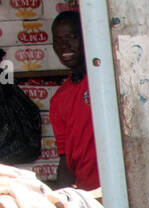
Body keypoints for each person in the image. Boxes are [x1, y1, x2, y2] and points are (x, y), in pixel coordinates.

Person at [50, 11, 99, 191]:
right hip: (88, 195)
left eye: (71, 36)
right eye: (58, 40)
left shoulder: (106, 84)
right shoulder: (59, 99)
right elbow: (64, 157)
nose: (64, 45)